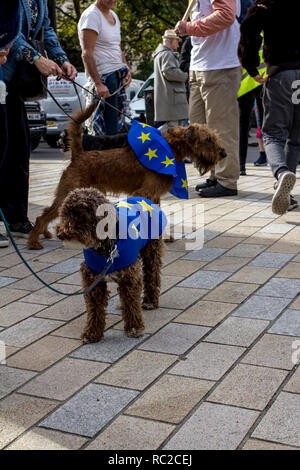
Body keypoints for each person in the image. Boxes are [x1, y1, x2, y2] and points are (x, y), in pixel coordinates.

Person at [0, 0, 76, 247]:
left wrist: (61, 58)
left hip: (16, 84)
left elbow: (47, 28)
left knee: (19, 149)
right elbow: (9, 31)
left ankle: (16, 217)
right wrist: (35, 58)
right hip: (2, 73)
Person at [238, 0, 300, 215]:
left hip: (280, 73)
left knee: (273, 134)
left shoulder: (265, 5)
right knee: (296, 138)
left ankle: (281, 173)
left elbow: (248, 32)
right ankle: (287, 192)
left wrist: (251, 66)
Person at [175, 0, 242, 198]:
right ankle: (215, 174)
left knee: (221, 127)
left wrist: (189, 27)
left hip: (220, 65)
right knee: (200, 129)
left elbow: (226, 15)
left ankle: (226, 180)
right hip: (200, 64)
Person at [78, 0, 131, 136]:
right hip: (105, 78)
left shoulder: (114, 15)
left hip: (118, 75)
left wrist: (126, 69)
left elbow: (117, 46)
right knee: (107, 131)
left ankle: (112, 155)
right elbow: (87, 53)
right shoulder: (92, 16)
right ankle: (105, 156)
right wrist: (98, 83)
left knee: (117, 128)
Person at [152, 29, 189, 133]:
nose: (178, 45)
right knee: (173, 132)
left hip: (169, 101)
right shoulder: (167, 54)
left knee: (171, 131)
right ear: (171, 41)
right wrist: (186, 76)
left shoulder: (161, 54)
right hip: (172, 102)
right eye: (177, 41)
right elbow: (169, 71)